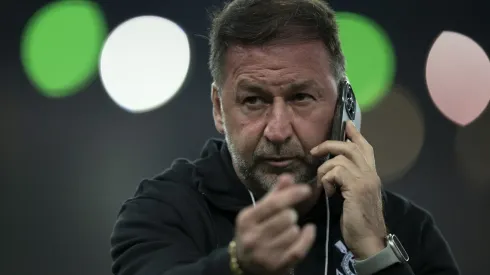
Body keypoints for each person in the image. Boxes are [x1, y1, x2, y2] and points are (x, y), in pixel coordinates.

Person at [110, 0, 460, 274]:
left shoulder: (406, 227)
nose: (277, 131)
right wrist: (238, 266)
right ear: (219, 108)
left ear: (343, 108)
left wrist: (377, 253)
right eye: (253, 100)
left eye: (301, 98)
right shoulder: (162, 211)